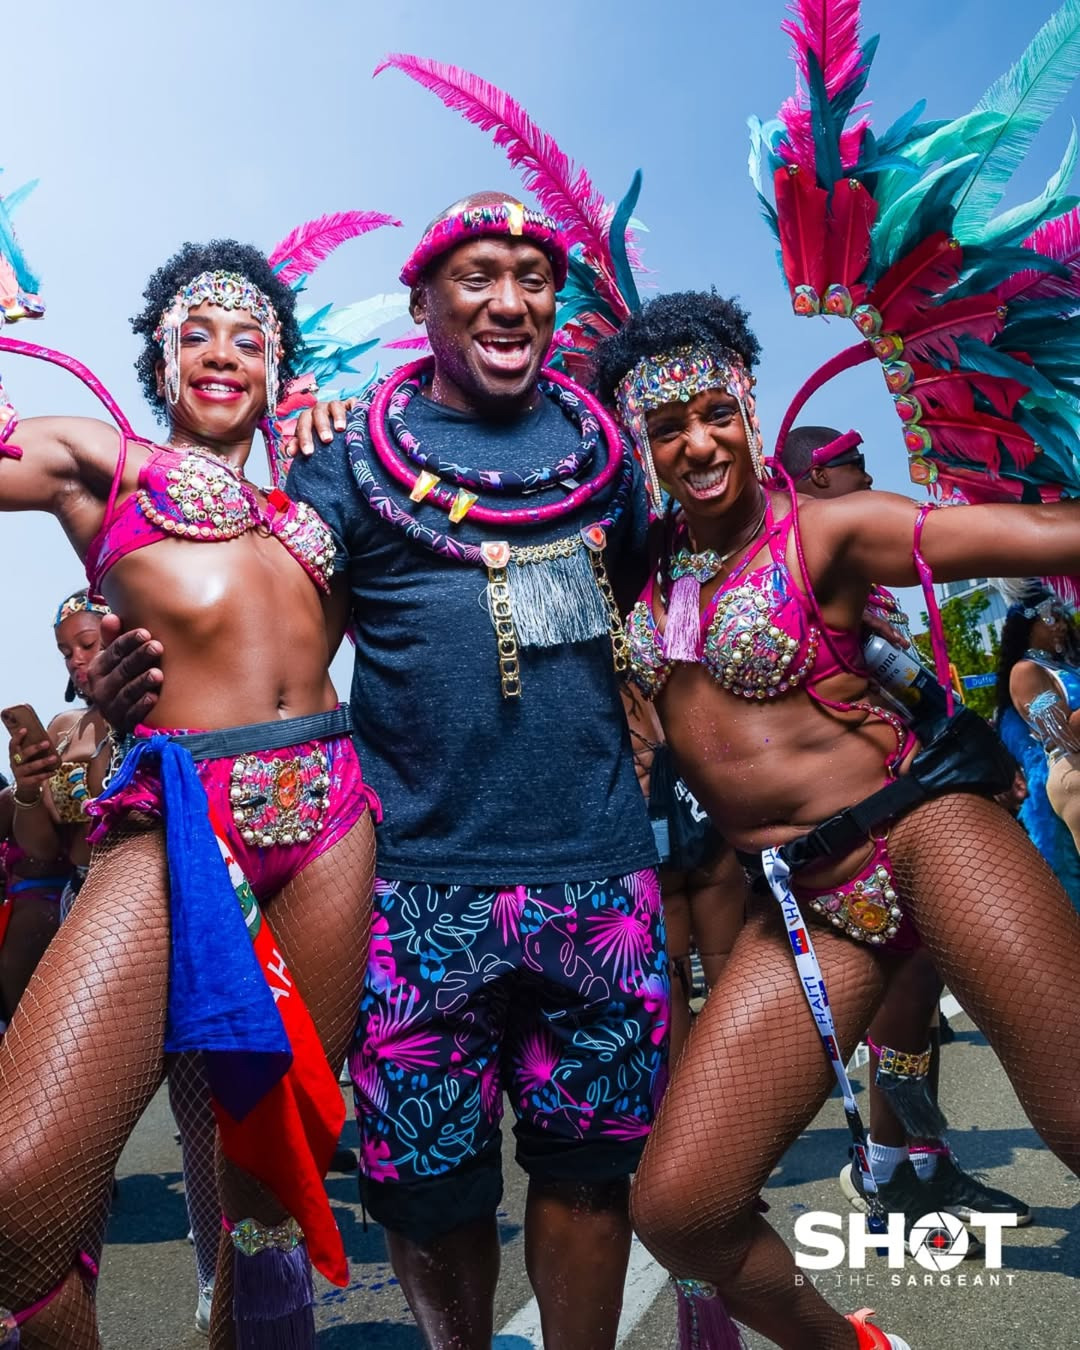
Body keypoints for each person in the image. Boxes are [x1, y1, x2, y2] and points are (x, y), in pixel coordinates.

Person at [91, 192, 665, 1350]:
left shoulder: (610, 458)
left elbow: (637, 605)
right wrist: (107, 656)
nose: (509, 301)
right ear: (422, 305)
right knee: (429, 1195)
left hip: (600, 878)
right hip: (414, 886)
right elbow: (268, 640)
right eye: (476, 278)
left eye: (532, 279)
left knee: (593, 1176)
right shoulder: (344, 460)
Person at [591, 289, 1080, 1350]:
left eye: (713, 413)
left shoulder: (824, 529)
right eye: (667, 428)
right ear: (641, 445)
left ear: (748, 409)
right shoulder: (640, 567)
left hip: (925, 836)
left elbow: (1030, 533)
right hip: (805, 902)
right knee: (681, 1208)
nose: (697, 443)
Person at [0, 239, 378, 1349]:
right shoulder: (103, 464)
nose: (222, 354)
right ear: (158, 360)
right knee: (18, 1190)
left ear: (278, 368)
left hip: (330, 821)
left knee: (267, 1191)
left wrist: (336, 432)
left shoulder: (318, 493)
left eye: (249, 340)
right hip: (173, 824)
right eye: (195, 334)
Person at [779, 426, 1031, 1249]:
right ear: (819, 475)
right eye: (856, 465)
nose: (869, 476)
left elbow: (914, 687)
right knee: (905, 993)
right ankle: (888, 1169)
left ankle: (924, 1157)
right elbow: (905, 687)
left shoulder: (858, 573)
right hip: (856, 829)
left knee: (921, 993)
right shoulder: (809, 571)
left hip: (912, 804)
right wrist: (973, 751)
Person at [622, 681, 745, 1062]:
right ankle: (739, 1082)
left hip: (650, 835)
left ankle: (683, 1091)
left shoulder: (602, 675)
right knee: (727, 966)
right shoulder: (683, 668)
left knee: (672, 977)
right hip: (708, 819)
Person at [996, 581, 1080, 904]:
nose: (1061, 625)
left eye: (1061, 617)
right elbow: (1063, 734)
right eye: (1051, 617)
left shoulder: (1065, 667)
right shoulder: (1025, 671)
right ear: (1029, 625)